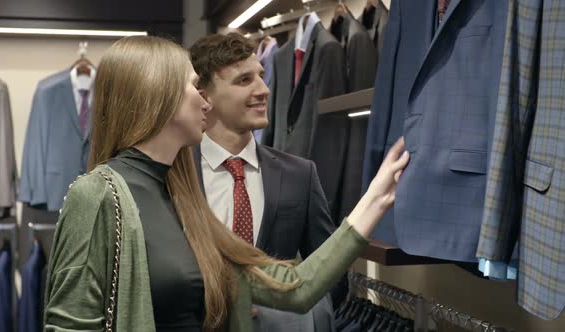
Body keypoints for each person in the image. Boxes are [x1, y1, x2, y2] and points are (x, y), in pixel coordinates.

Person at [42, 35, 409, 332]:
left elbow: (294, 287)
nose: (202, 99)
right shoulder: (96, 195)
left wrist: (376, 198)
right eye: (191, 86)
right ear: (158, 96)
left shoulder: (182, 199)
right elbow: (70, 324)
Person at [189, 33, 344, 332]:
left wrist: (291, 317)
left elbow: (332, 274)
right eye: (244, 80)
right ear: (205, 96)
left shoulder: (300, 175)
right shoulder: (177, 175)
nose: (264, 89)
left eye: (261, 76)